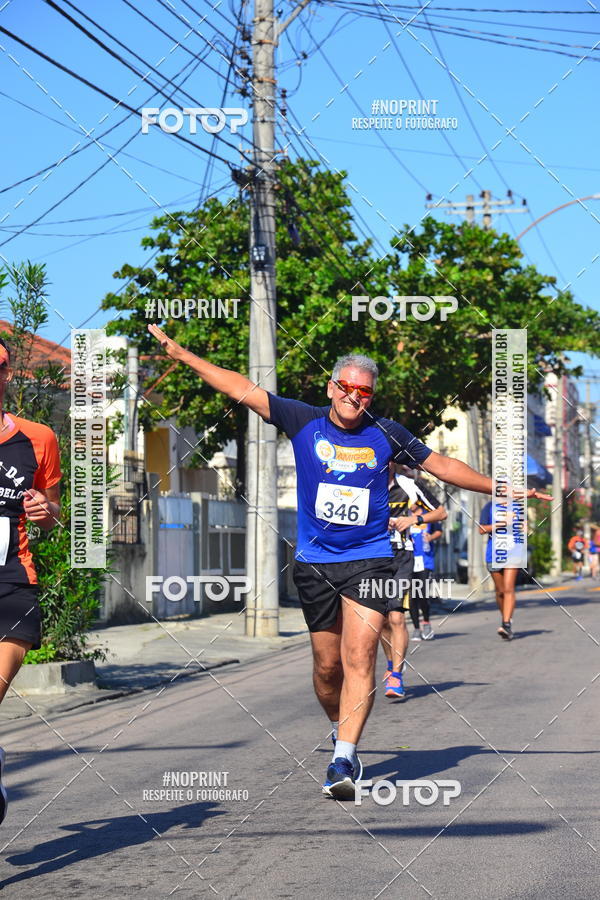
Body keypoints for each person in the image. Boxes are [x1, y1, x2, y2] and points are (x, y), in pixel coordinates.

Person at [148, 325, 550, 799]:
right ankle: (342, 731)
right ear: (331, 387)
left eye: (364, 392)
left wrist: (502, 487)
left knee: (358, 655)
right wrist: (184, 354)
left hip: (372, 559)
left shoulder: (386, 433)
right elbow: (242, 387)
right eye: (347, 387)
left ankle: (342, 758)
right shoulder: (303, 420)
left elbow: (442, 466)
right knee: (326, 671)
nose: (354, 397)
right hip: (315, 563)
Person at [0, 337, 62, 824]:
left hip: (12, 585)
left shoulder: (38, 438)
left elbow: (52, 514)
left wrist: (46, 510)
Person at [380, 465, 446, 701]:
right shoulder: (364, 482)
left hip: (401, 556)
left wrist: (412, 520)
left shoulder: (408, 484)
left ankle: (396, 675)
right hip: (372, 558)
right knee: (381, 621)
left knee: (396, 617)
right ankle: (391, 661)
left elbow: (441, 513)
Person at [409, 499, 444, 641]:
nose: (409, 504)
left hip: (425, 561)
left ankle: (427, 623)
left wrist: (430, 537)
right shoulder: (403, 516)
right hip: (408, 561)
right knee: (412, 597)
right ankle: (416, 629)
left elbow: (439, 531)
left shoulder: (428, 515)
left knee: (422, 594)